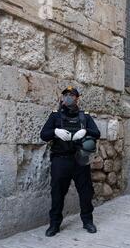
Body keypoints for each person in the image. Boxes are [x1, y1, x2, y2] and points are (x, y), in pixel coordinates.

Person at [40, 86, 101, 237]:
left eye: (72, 95)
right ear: (62, 98)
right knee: (57, 193)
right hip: (61, 160)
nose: (68, 97)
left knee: (85, 193)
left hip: (80, 159)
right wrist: (55, 131)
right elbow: (43, 135)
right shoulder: (55, 116)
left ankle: (87, 221)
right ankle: (54, 224)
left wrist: (85, 131)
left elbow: (97, 133)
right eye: (66, 95)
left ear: (77, 98)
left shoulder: (84, 117)